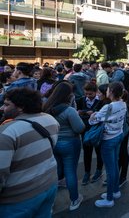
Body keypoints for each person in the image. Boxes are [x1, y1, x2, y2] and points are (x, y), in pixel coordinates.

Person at [0, 88, 59, 216]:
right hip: (49, 184)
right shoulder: (50, 119)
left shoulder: (7, 132)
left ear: (21, 107)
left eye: (6, 104)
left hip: (18, 198)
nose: (2, 108)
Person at [43, 81, 85, 211]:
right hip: (70, 143)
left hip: (53, 143)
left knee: (55, 173)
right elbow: (79, 128)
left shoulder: (46, 108)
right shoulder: (69, 110)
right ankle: (74, 200)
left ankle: (49, 204)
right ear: (67, 95)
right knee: (70, 171)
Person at [89, 82, 127, 208]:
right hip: (118, 135)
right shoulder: (123, 103)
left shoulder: (108, 107)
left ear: (110, 92)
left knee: (110, 170)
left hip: (108, 139)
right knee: (114, 165)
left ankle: (109, 198)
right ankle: (115, 191)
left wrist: (93, 115)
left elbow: (93, 120)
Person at [76, 82, 104, 185]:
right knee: (87, 152)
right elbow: (77, 112)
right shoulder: (80, 100)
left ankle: (99, 170)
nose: (88, 96)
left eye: (90, 94)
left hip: (97, 130)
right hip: (85, 129)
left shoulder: (101, 101)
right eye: (86, 94)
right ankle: (87, 172)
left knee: (98, 151)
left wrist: (92, 113)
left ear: (96, 92)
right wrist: (82, 112)